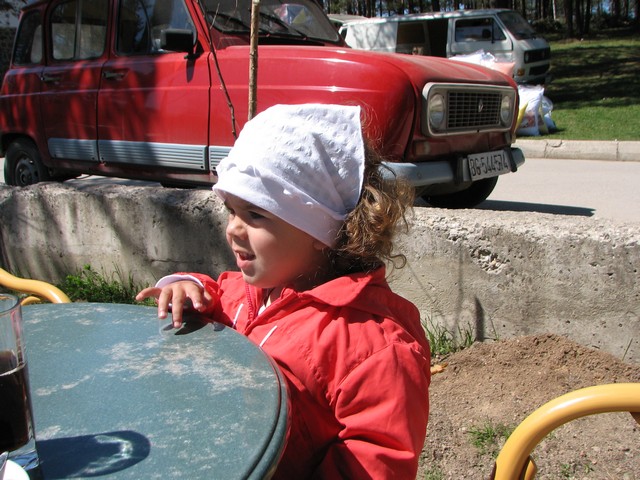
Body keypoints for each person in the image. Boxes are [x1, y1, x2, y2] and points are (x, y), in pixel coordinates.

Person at [136, 104, 431, 479]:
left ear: (323, 232)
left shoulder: (374, 347)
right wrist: (188, 286)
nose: (233, 229)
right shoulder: (255, 292)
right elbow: (216, 294)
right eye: (231, 210)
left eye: (256, 214)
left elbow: (376, 461)